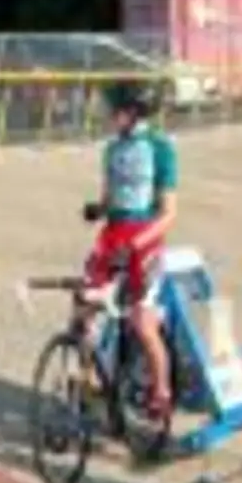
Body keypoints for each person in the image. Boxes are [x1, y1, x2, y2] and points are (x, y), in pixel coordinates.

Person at [80, 81, 179, 420]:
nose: (108, 116)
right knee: (84, 303)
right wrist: (99, 209)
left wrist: (135, 245)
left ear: (133, 113)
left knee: (141, 320)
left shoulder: (161, 148)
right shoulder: (111, 149)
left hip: (144, 239)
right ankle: (89, 382)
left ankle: (161, 391)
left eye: (114, 110)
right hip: (113, 236)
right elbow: (110, 199)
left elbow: (168, 215)